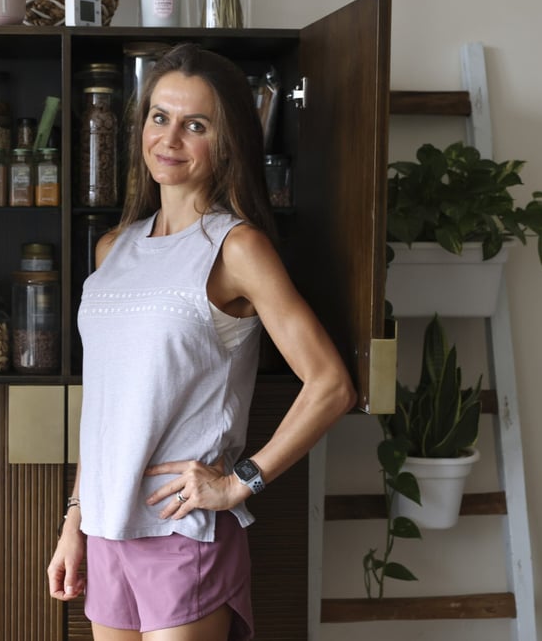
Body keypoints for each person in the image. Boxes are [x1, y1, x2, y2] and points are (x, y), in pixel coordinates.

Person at [46, 42, 357, 641]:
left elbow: (331, 385)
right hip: (108, 529)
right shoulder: (114, 249)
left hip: (182, 531)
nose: (170, 138)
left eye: (196, 125)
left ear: (228, 142)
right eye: (160, 118)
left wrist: (241, 481)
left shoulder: (237, 249)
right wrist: (75, 519)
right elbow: (108, 404)